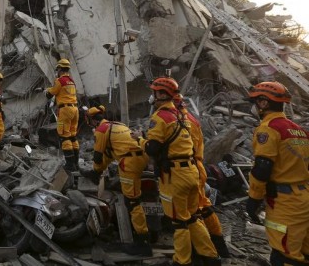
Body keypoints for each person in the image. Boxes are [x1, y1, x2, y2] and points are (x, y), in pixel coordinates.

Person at [137, 77, 220, 266]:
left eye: (154, 92)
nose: (152, 96)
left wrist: (140, 140)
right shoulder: (182, 115)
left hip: (175, 176)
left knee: (179, 222)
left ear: (161, 94)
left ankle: (182, 260)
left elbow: (152, 149)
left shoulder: (160, 117)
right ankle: (210, 256)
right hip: (191, 172)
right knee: (192, 217)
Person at [245, 81, 309, 266]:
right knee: (304, 252)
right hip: (304, 198)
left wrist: (254, 199)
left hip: (285, 202)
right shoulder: (299, 131)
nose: (253, 106)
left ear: (264, 103)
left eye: (255, 102)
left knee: (284, 255)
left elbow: (262, 168)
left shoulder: (269, 129)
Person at [86, 105, 152, 256]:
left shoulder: (101, 130)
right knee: (135, 198)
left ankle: (143, 243)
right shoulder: (117, 126)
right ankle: (143, 237)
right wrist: (97, 170)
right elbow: (109, 155)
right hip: (142, 156)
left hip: (129, 162)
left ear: (93, 121)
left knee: (133, 201)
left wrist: (95, 171)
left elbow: (98, 156)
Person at [174, 94, 230, 258]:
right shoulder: (189, 117)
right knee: (204, 207)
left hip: (188, 168)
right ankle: (220, 247)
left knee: (190, 215)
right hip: (197, 167)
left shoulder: (180, 120)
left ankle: (205, 253)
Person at [45, 58, 79, 171]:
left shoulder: (59, 81)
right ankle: (76, 163)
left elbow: (50, 95)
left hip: (65, 111)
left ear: (60, 68)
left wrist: (46, 91)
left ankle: (70, 164)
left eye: (57, 69)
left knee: (64, 137)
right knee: (73, 136)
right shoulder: (71, 81)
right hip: (75, 110)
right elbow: (59, 91)